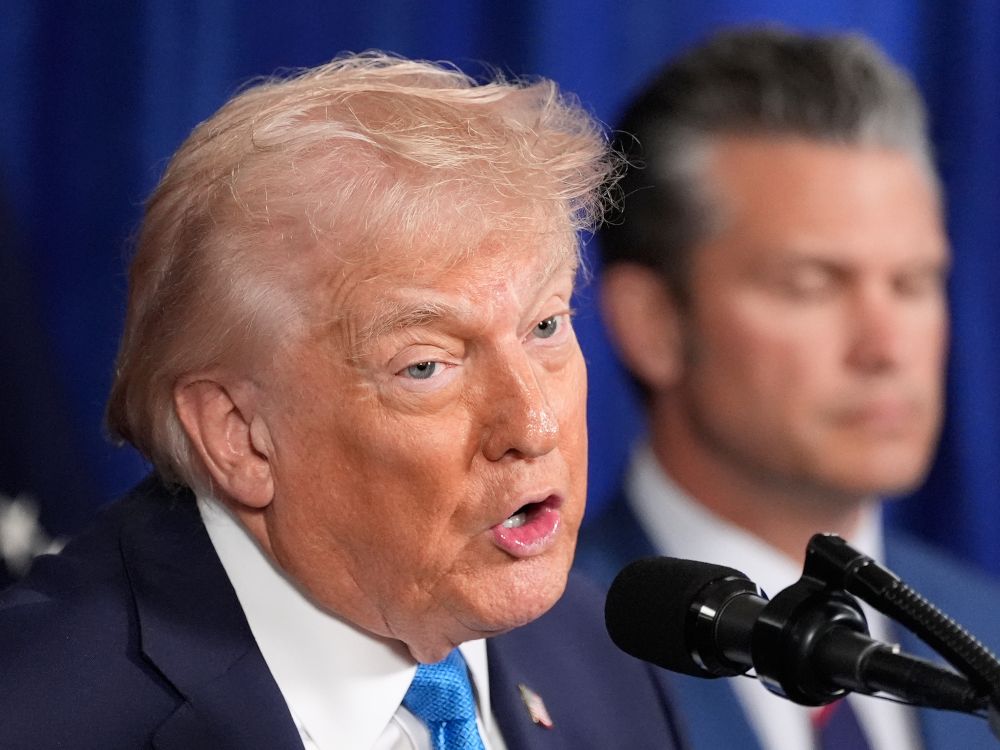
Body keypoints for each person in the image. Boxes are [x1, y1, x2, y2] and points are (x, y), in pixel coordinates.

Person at [0, 52, 683, 749]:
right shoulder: (39, 717)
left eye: (545, 326)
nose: (534, 425)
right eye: (426, 366)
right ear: (239, 434)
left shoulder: (604, 659)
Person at [575, 27, 1000, 750]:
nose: (886, 346)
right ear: (653, 324)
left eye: (912, 283)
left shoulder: (985, 632)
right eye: (810, 286)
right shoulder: (539, 651)